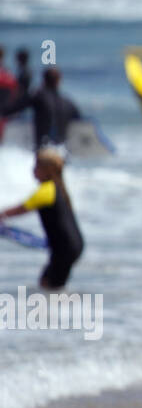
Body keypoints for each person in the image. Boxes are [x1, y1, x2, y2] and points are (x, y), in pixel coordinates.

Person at [0, 149, 84, 289]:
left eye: (36, 166)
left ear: (47, 170)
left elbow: (21, 209)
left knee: (50, 287)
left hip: (64, 249)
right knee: (48, 284)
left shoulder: (46, 190)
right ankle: (59, 310)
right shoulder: (57, 188)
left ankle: (58, 310)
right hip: (71, 246)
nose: (33, 170)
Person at [1, 67, 81, 151]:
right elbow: (81, 122)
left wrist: (3, 112)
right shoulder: (68, 103)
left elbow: (16, 107)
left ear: (44, 80)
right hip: (61, 154)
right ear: (59, 81)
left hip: (42, 152)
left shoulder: (38, 96)